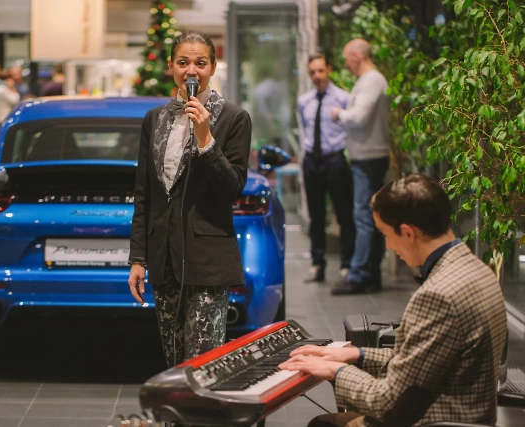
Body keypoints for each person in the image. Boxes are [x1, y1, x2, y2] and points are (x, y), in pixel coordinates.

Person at [279, 173, 508, 427]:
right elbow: (420, 365)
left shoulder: (438, 295)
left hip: (434, 420)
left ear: (408, 233)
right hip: (467, 417)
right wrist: (356, 354)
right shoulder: (476, 270)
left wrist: (336, 370)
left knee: (323, 425)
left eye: (386, 234)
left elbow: (388, 403)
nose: (388, 246)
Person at [128, 30, 252, 368]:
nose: (191, 71)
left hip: (207, 259)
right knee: (174, 361)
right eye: (183, 62)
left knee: (203, 361)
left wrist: (206, 139)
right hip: (164, 257)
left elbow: (232, 188)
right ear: (171, 66)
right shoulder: (155, 119)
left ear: (212, 67)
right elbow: (144, 194)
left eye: (200, 63)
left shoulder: (234, 118)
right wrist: (138, 258)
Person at [330, 39, 391, 295]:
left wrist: (339, 114)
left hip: (368, 157)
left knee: (363, 216)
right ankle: (370, 274)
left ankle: (358, 274)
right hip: (368, 155)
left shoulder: (371, 80)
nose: (346, 64)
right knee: (370, 215)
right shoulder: (370, 81)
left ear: (357, 56)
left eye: (347, 59)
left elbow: (358, 117)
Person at [298, 54, 355, 282]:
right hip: (312, 160)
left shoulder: (343, 98)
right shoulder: (304, 101)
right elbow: (305, 127)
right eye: (312, 72)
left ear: (329, 70)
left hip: (335, 160)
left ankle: (347, 264)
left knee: (344, 213)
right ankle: (317, 263)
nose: (317, 76)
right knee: (315, 215)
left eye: (321, 71)